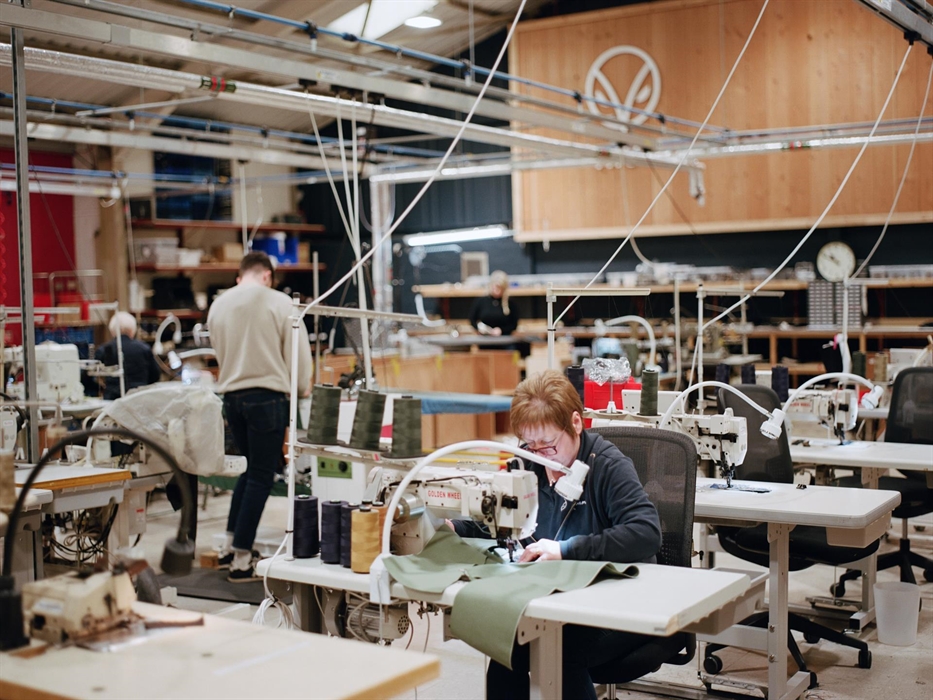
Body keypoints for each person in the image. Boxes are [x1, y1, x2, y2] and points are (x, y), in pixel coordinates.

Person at [452, 369, 662, 700]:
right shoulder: (529, 464)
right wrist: (452, 527)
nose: (539, 454)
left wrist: (567, 549)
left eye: (548, 444)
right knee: (507, 642)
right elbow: (493, 520)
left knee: (560, 651)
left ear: (576, 424)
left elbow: (646, 533)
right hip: (559, 599)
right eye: (529, 443)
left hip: (620, 602)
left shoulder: (607, 466)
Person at [208, 252, 312, 582]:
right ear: (267, 275)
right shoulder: (280, 303)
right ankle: (241, 559)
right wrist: (303, 389)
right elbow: (299, 354)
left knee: (250, 471)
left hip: (231, 399)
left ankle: (228, 544)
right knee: (262, 476)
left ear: (242, 276)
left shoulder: (218, 305)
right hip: (267, 398)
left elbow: (218, 351)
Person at [87, 311, 161, 400]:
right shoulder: (144, 348)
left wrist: (99, 389)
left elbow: (87, 375)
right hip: (139, 399)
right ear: (133, 330)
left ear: (112, 331)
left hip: (113, 401)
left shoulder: (105, 349)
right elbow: (155, 376)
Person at [469, 270, 518, 336]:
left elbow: (514, 324)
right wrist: (480, 328)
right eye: (495, 288)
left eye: (500, 288)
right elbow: (472, 319)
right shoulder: (481, 301)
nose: (497, 291)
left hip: (504, 339)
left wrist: (501, 330)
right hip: (485, 339)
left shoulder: (510, 303)